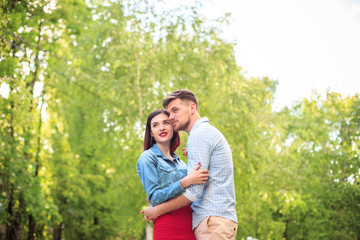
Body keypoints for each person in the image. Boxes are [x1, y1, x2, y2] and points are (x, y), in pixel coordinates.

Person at [141, 90, 238, 240]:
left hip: (212, 221)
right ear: (151, 132)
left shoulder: (198, 135)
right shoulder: (203, 134)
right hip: (209, 221)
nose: (171, 117)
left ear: (192, 108)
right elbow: (156, 195)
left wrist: (158, 210)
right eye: (169, 113)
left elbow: (194, 192)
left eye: (175, 110)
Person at [137, 109, 209, 240]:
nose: (161, 127)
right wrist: (184, 182)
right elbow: (154, 197)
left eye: (166, 122)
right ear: (151, 133)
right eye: (155, 125)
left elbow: (198, 185)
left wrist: (195, 152)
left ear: (173, 127)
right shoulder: (147, 158)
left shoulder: (181, 162)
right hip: (168, 226)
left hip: (191, 224)